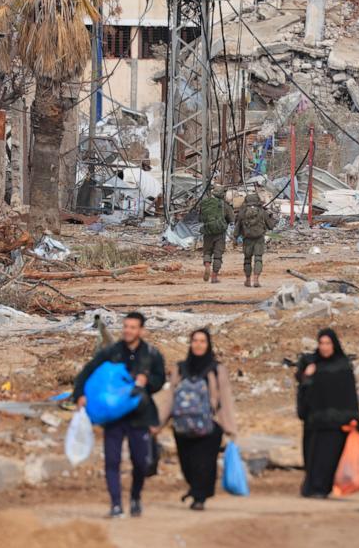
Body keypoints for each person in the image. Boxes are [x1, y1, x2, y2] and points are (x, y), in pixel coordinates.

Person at [73, 312, 167, 518]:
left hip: (140, 414)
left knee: (141, 461)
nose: (127, 331)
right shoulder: (112, 352)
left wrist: (147, 381)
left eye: (133, 327)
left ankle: (135, 497)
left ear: (141, 331)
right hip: (114, 416)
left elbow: (160, 380)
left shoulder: (152, 354)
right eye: (125, 326)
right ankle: (116, 504)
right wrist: (79, 394)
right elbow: (87, 371)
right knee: (112, 460)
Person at [156, 329, 237, 511]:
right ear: (190, 344)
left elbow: (225, 399)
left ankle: (200, 497)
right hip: (182, 425)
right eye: (195, 341)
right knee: (187, 464)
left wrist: (230, 428)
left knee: (205, 463)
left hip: (210, 425)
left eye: (202, 341)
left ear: (208, 345)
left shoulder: (217, 370)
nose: (198, 345)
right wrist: (158, 424)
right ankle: (195, 488)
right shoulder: (180, 368)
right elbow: (170, 398)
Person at [295, 328, 359, 498]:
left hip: (338, 423)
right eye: (321, 343)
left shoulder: (342, 365)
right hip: (316, 422)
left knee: (329, 459)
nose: (324, 347)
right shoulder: (313, 365)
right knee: (313, 457)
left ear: (334, 344)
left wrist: (354, 418)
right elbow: (304, 391)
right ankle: (311, 488)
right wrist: (307, 377)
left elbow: (350, 394)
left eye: (327, 343)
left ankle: (322, 489)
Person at [232, 193, 276, 288]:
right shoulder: (262, 211)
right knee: (258, 259)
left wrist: (235, 238)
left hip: (247, 239)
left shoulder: (242, 212)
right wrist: (271, 218)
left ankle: (247, 280)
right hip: (259, 238)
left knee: (247, 260)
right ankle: (256, 279)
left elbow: (237, 226)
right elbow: (271, 226)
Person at [198, 186, 234, 284]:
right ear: (222, 194)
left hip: (207, 232)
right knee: (218, 255)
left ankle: (207, 265)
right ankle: (214, 277)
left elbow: (200, 218)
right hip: (220, 233)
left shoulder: (206, 203)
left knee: (207, 252)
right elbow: (232, 220)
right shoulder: (225, 205)